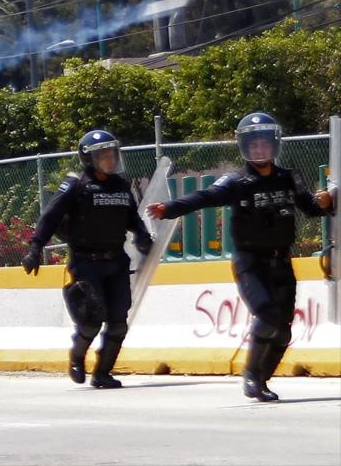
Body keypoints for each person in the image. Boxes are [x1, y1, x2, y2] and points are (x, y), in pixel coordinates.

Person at [147, 112, 335, 401]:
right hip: (250, 263)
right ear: (244, 147)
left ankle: (261, 379)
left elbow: (309, 207)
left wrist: (323, 201)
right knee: (268, 316)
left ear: (275, 145)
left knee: (283, 332)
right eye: (254, 145)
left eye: (264, 144)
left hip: (282, 262)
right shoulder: (237, 182)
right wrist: (169, 208)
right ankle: (251, 375)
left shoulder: (288, 177)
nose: (260, 150)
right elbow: (204, 197)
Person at [22, 130, 153, 388]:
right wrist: (35, 248)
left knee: (118, 323)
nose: (109, 160)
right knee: (91, 321)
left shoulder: (122, 187)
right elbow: (49, 217)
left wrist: (142, 235)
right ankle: (77, 355)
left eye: (112, 154)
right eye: (102, 155)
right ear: (88, 158)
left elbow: (132, 218)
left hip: (116, 262)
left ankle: (103, 372)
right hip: (86, 262)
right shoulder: (75, 186)